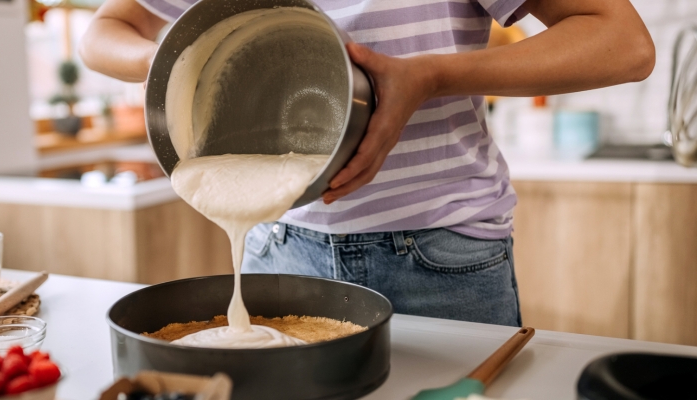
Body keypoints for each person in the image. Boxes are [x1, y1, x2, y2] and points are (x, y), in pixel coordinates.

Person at [79, 0, 654, 326]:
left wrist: (432, 76)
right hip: (278, 250)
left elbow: (623, 41)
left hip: (438, 258)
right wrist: (163, 58)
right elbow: (104, 31)